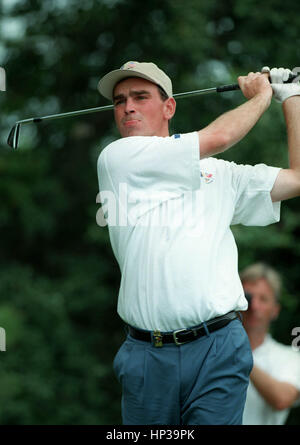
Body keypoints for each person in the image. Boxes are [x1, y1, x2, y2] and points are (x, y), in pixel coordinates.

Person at [96, 61, 300, 425]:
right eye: (119, 100)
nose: (127, 107)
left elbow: (298, 179)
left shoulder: (221, 174)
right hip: (147, 353)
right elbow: (219, 137)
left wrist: (292, 97)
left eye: (140, 97)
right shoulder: (118, 158)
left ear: (169, 107)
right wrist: (262, 96)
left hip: (218, 346)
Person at [240, 262, 300, 425]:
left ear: (275, 310)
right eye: (248, 297)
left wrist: (238, 352)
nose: (254, 306)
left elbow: (282, 399)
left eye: (263, 299)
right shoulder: (212, 350)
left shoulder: (290, 357)